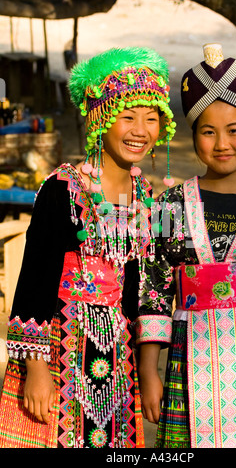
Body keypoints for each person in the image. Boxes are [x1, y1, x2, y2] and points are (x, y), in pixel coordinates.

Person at [0, 46, 176, 448]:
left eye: (151, 119)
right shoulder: (62, 189)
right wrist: (36, 368)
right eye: (127, 116)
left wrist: (147, 366)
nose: (140, 130)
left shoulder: (147, 196)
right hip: (60, 348)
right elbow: (34, 281)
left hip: (117, 358)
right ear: (100, 119)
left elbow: (146, 284)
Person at [136, 43, 236, 448]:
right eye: (208, 131)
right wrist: (148, 371)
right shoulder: (169, 207)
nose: (222, 143)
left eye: (235, 130)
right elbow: (153, 289)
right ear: (194, 136)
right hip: (191, 355)